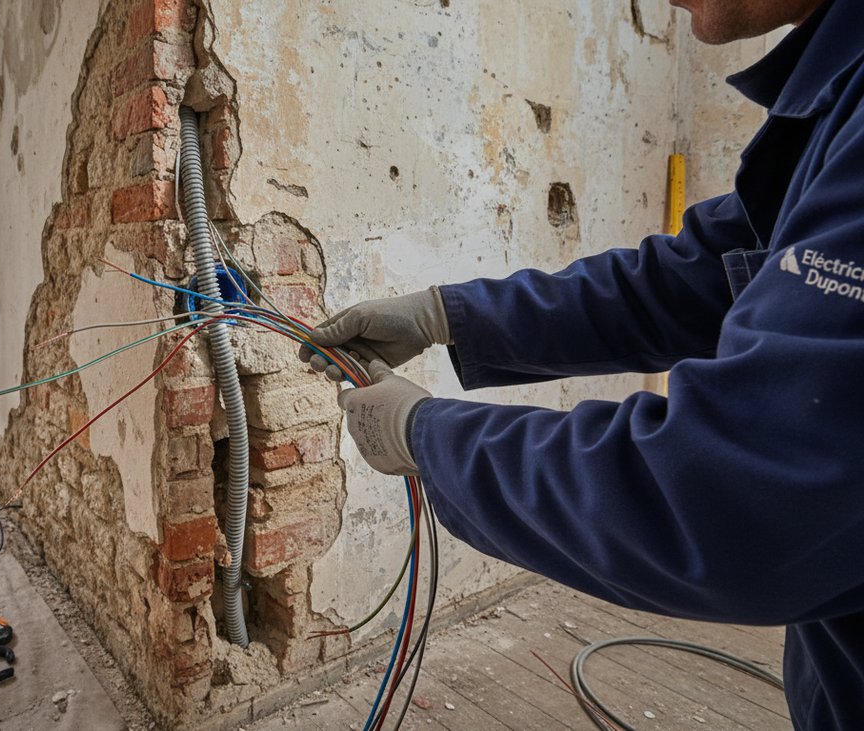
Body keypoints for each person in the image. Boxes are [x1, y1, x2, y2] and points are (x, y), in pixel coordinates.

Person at [299, 1, 864, 728]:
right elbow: (688, 278)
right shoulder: (837, 98)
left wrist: (427, 436)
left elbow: (731, 492)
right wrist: (447, 315)